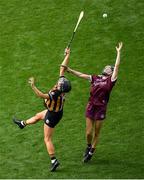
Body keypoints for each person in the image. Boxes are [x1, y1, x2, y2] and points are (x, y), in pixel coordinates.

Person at [13, 48, 71, 172]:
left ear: (61, 87)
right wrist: (67, 55)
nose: (60, 80)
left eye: (61, 82)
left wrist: (33, 86)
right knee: (38, 115)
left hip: (53, 116)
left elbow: (41, 95)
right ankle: (22, 124)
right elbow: (62, 68)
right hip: (55, 112)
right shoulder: (61, 87)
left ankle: (53, 160)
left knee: (47, 138)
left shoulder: (56, 94)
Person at [65, 42, 123, 162]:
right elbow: (81, 75)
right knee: (88, 133)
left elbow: (117, 66)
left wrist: (118, 52)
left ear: (111, 72)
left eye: (109, 67)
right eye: (106, 67)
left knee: (96, 132)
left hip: (101, 108)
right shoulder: (95, 78)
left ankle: (91, 152)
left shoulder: (110, 81)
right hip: (91, 106)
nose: (107, 67)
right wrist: (69, 70)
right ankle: (88, 146)